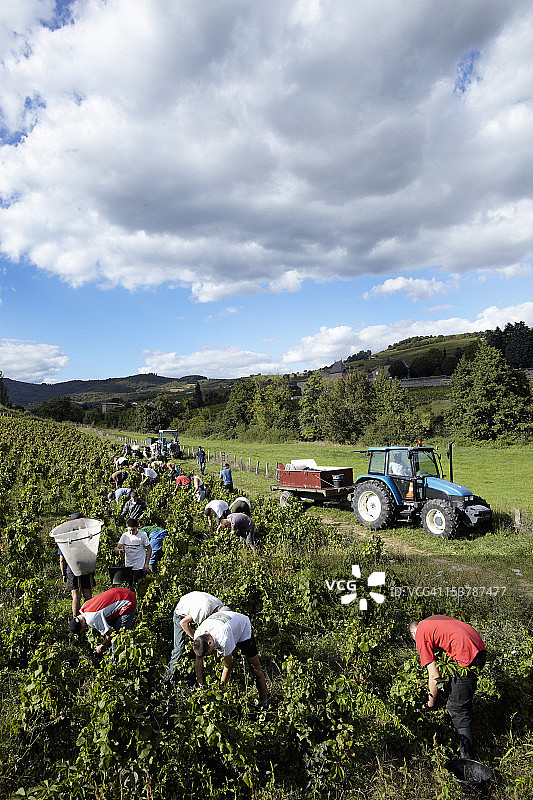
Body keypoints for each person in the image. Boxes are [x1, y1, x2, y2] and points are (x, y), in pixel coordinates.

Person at [409, 615, 486, 759]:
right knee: (459, 694)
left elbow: (434, 675)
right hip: (480, 649)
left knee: (457, 707)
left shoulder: (420, 634)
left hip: (466, 653)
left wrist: (430, 703)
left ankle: (466, 760)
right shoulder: (432, 621)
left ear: (414, 633)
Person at [193, 607, 268, 706]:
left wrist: (220, 690)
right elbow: (198, 661)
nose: (209, 655)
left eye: (208, 653)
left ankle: (264, 702)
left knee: (255, 668)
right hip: (227, 623)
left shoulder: (223, 637)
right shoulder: (198, 636)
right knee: (222, 654)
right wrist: (200, 686)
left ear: (210, 642)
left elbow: (227, 666)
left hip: (242, 626)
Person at [165, 590, 223, 681]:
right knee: (179, 648)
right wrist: (195, 638)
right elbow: (183, 623)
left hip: (194, 604)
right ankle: (168, 679)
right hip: (181, 614)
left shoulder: (220, 607)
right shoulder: (203, 612)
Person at [68, 587, 136, 654]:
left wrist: (102, 645)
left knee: (118, 636)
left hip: (128, 600)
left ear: (82, 626)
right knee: (115, 628)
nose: (85, 629)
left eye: (82, 630)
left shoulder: (91, 619)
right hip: (122, 592)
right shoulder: (83, 608)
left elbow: (111, 634)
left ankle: (117, 661)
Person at [58, 512, 95, 616]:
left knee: (76, 596)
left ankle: (76, 619)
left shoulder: (66, 538)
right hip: (86, 568)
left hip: (72, 570)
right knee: (88, 595)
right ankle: (90, 618)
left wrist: (63, 574)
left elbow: (62, 559)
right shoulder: (88, 535)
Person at [115, 518, 152, 589]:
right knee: (129, 587)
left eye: (133, 530)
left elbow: (149, 549)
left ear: (137, 528)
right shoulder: (125, 536)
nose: (131, 532)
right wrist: (119, 551)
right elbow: (117, 548)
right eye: (129, 530)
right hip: (128, 566)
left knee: (138, 587)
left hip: (139, 567)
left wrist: (146, 564)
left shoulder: (143, 536)